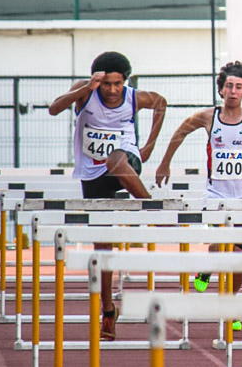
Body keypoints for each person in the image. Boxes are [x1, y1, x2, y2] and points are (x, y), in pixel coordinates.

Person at [48, 51, 167, 340]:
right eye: (106, 84)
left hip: (126, 161)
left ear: (125, 81)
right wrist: (86, 88)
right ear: (97, 81)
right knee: (102, 248)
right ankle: (108, 311)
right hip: (92, 173)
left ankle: (151, 208)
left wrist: (148, 146)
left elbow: (161, 103)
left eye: (117, 83)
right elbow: (54, 109)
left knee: (116, 158)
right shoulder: (85, 91)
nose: (112, 90)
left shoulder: (134, 97)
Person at [155, 61, 242, 304]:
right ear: (222, 90)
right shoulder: (208, 116)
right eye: (229, 86)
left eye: (238, 87)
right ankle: (209, 268)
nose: (233, 91)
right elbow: (180, 132)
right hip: (216, 195)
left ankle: (229, 301)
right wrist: (165, 163)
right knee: (223, 244)